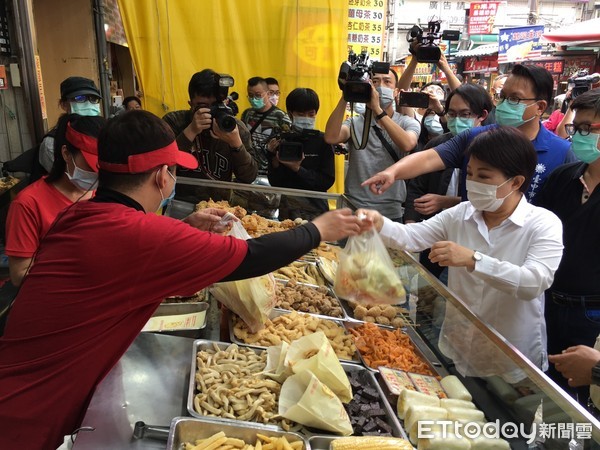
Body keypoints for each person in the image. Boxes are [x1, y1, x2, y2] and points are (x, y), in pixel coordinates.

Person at [0, 110, 362, 450]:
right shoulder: (137, 233)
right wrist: (317, 229)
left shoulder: (83, 212)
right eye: (173, 170)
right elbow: (253, 257)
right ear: (161, 176)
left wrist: (181, 228)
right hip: (29, 417)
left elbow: (126, 257)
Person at [359, 126, 563, 382]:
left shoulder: (543, 224)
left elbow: (533, 282)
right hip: (459, 348)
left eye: (484, 176)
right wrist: (377, 222)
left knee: (504, 421)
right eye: (470, 173)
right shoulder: (461, 213)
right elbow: (412, 237)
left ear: (516, 182)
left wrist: (473, 259)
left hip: (512, 362)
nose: (473, 182)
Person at [363, 64, 577, 203]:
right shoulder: (476, 137)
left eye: (514, 99)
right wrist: (392, 173)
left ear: (540, 107)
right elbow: (430, 158)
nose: (503, 104)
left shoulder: (563, 153)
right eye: (502, 97)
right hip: (465, 249)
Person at [535, 88, 600, 403]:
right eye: (578, 128)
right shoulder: (563, 178)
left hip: (592, 315)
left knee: (589, 402)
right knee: (552, 397)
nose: (580, 136)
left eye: (589, 129)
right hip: (548, 302)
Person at [404, 83, 494, 279]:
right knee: (427, 296)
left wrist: (446, 201)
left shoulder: (493, 151)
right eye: (452, 114)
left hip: (471, 244)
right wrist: (411, 224)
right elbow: (416, 187)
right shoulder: (438, 144)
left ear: (482, 115)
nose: (456, 120)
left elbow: (489, 201)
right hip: (433, 236)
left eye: (465, 114)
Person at [5, 114, 106, 287]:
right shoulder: (29, 203)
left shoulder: (106, 195)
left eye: (104, 167)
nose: (98, 174)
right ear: (66, 153)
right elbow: (19, 274)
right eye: (90, 165)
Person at [324, 68, 420, 222]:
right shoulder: (355, 122)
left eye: (387, 81)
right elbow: (331, 137)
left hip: (390, 212)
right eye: (375, 81)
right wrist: (346, 94)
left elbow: (407, 144)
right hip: (354, 209)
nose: (380, 86)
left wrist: (377, 110)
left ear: (396, 92)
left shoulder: (406, 122)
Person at [162, 69, 257, 202]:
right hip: (178, 203)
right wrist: (191, 131)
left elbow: (249, 177)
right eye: (203, 106)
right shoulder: (175, 122)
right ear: (190, 104)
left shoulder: (236, 128)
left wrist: (236, 145)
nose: (212, 111)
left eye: (217, 105)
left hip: (218, 207)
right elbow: (160, 165)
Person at [266, 87, 335, 220]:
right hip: (287, 211)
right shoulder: (282, 140)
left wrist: (298, 169)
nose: (306, 118)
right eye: (301, 114)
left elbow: (326, 181)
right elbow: (275, 183)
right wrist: (272, 159)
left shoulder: (324, 141)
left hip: (316, 211)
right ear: (290, 113)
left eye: (311, 114)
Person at [38, 76, 102, 173]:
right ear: (64, 104)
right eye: (80, 98)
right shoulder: (51, 143)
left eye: (93, 99)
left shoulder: (106, 132)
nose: (88, 103)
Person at [240, 76, 291, 175]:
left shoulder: (281, 117)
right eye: (250, 95)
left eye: (258, 95)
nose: (254, 99)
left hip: (269, 172)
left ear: (268, 94)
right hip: (248, 169)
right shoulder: (247, 114)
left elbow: (287, 146)